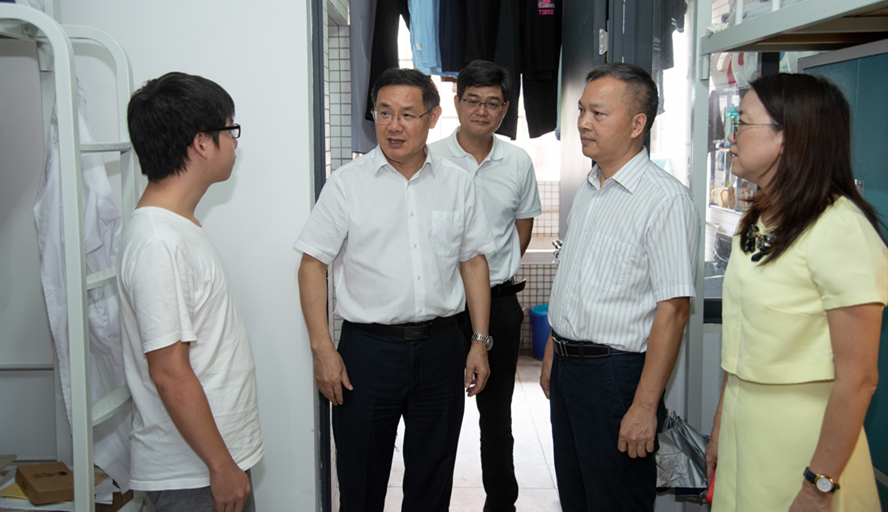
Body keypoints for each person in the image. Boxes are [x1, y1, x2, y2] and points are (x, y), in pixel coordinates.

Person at [295, 67, 495, 512]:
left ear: (433, 117)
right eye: (384, 113)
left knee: (432, 480)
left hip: (441, 348)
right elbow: (312, 265)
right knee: (361, 480)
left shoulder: (457, 183)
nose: (393, 125)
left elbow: (473, 261)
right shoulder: (348, 184)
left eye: (407, 114)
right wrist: (323, 350)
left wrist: (479, 342)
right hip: (368, 352)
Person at [705, 73, 886, 512]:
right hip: (745, 432)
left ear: (787, 138)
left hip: (805, 446)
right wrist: (721, 425)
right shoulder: (759, 219)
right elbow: (742, 343)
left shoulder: (840, 228)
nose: (731, 135)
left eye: (743, 122)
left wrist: (817, 487)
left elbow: (859, 379)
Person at [539, 63, 700, 511]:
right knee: (576, 495)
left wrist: (645, 406)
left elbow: (673, 310)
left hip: (616, 377)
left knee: (615, 499)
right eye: (581, 110)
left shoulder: (665, 199)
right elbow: (574, 279)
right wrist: (553, 350)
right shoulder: (591, 187)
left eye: (598, 113)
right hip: (570, 368)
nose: (583, 123)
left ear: (636, 124)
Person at [118, 72, 264, 512]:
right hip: (194, 473)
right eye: (230, 130)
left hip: (212, 462)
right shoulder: (159, 243)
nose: (235, 143)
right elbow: (168, 372)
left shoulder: (177, 227)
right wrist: (221, 466)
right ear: (202, 142)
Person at [428, 59, 541, 512]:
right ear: (456, 104)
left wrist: (498, 267)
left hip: (498, 304)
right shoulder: (430, 157)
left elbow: (523, 225)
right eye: (472, 100)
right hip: (442, 308)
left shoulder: (517, 161)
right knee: (437, 418)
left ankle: (501, 503)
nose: (482, 110)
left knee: (497, 417)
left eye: (492, 103)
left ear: (505, 109)